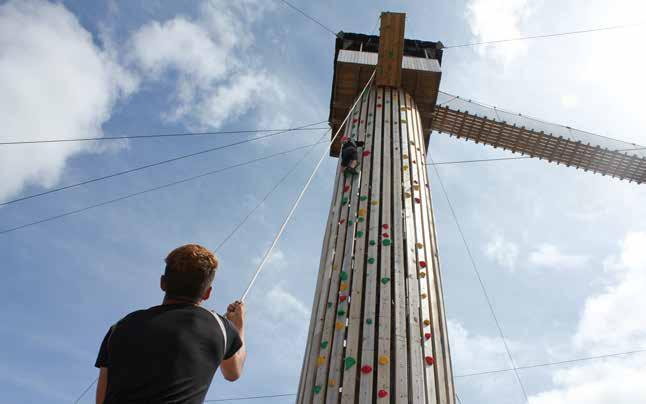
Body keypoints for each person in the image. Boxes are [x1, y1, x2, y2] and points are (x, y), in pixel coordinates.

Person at [94, 244, 246, 404]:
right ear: (207, 293)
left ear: (162, 283)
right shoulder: (219, 326)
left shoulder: (120, 327)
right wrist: (238, 325)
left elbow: (101, 399)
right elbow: (233, 372)